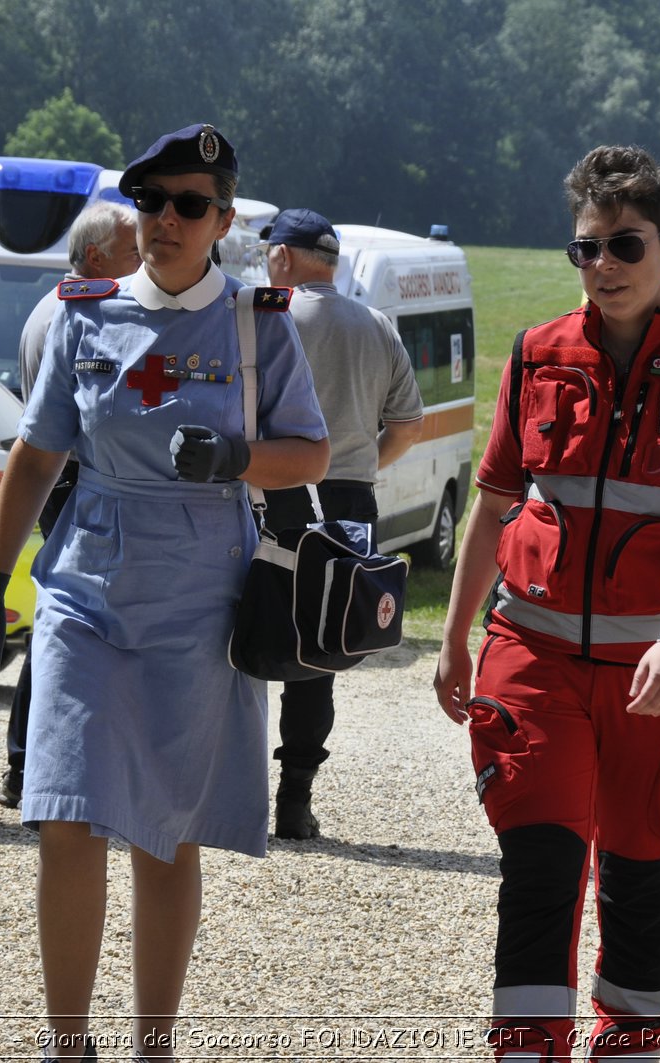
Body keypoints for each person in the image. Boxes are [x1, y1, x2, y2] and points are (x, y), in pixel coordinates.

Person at [0, 124, 328, 1061]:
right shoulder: (86, 313)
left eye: (190, 205)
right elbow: (38, 453)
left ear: (224, 220)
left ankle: (154, 1044)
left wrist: (244, 457)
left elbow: (312, 452)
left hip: (202, 595)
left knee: (170, 828)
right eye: (152, 202)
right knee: (66, 810)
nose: (167, 220)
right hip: (87, 583)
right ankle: (67, 1043)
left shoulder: (260, 321)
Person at [432, 145, 660, 1062]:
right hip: (533, 660)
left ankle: (629, 1045)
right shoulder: (539, 354)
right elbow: (495, 505)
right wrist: (455, 635)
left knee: (638, 874)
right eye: (586, 249)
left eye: (625, 246)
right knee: (539, 868)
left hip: (657, 679)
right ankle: (527, 1047)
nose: (604, 267)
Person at [257, 207, 424, 840]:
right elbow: (407, 424)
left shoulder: (265, 315)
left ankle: (223, 785)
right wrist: (357, 468)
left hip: (271, 489)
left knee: (239, 625)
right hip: (350, 500)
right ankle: (294, 801)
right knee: (321, 645)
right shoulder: (376, 325)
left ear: (282, 257)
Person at [0, 200, 141, 810]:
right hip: (75, 484)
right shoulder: (74, 315)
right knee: (72, 626)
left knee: (69, 624)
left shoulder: (59, 307)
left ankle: (34, 763)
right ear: (93, 257)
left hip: (70, 483)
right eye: (133, 253)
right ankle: (29, 762)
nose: (144, 264)